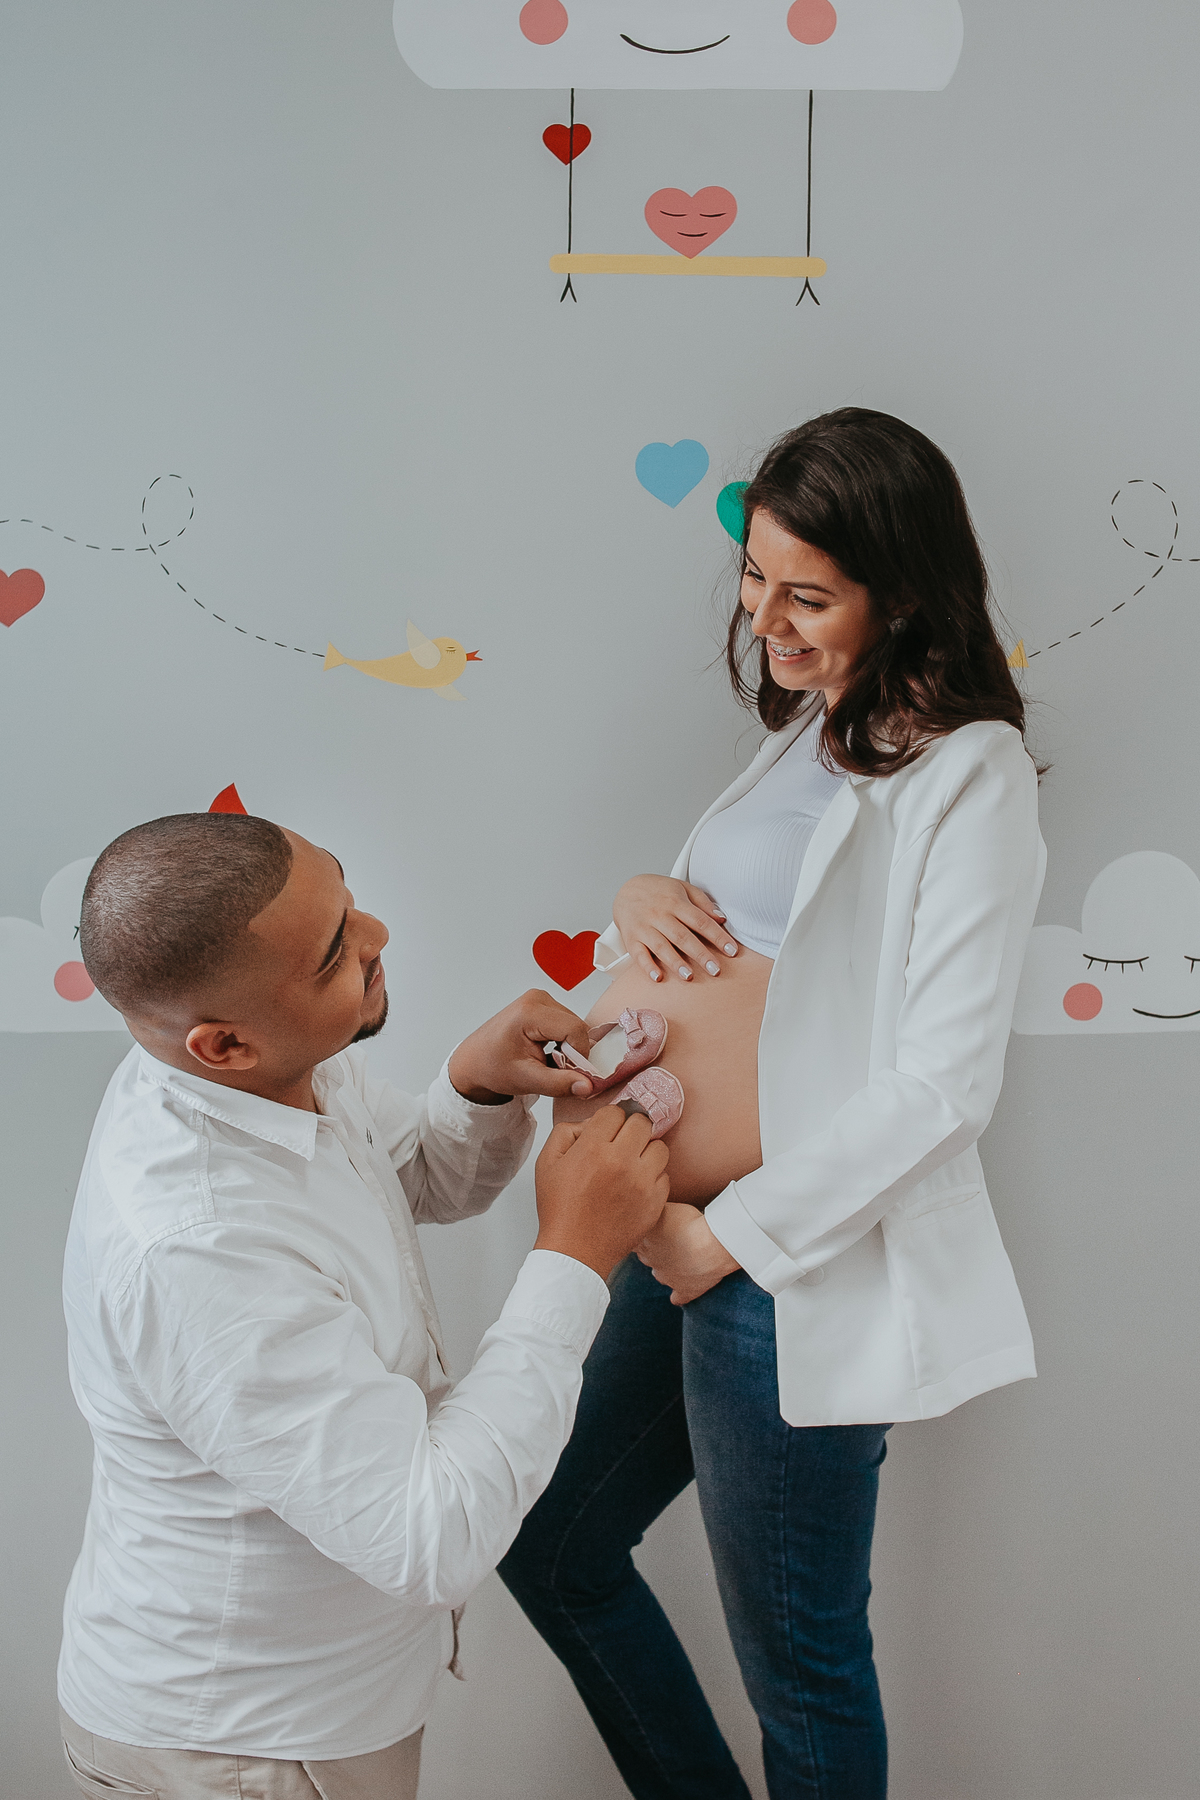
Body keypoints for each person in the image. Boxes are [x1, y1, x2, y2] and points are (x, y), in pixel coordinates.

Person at [500, 408, 1047, 1800]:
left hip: (775, 1266)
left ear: (905, 590)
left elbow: (943, 1081)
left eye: (809, 594)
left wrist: (727, 1236)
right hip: (672, 1228)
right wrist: (640, 892)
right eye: (756, 579)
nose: (768, 620)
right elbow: (744, 931)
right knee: (550, 1543)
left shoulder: (966, 775)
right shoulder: (809, 732)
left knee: (800, 1657)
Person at [57, 812, 670, 1800]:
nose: (379, 935)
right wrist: (572, 1257)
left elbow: (405, 1187)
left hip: (323, 1713)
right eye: (338, 950)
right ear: (223, 1043)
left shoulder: (270, 1067)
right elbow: (431, 1535)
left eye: (346, 896)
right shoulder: (195, 1250)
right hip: (247, 1752)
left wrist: (475, 1087)